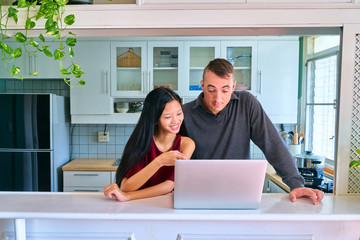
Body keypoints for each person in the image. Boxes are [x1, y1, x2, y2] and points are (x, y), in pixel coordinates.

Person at [180, 58, 324, 205]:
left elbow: (273, 144)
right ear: (202, 86)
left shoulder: (246, 104)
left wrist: (297, 184)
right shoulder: (184, 113)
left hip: (240, 195)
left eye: (225, 90)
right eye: (211, 90)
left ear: (233, 86)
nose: (218, 99)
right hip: (198, 196)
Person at [104, 87, 195, 202]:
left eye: (179, 114)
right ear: (155, 119)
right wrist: (159, 161)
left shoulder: (187, 144)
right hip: (138, 205)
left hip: (165, 205)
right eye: (167, 117)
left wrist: (129, 196)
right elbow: (126, 186)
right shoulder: (143, 142)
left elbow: (169, 185)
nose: (176, 121)